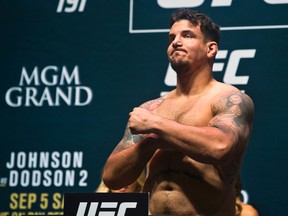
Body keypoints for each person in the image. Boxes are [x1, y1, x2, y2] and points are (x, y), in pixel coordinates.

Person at [102, 8, 254, 216]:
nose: (176, 41)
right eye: (172, 37)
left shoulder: (229, 99)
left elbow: (220, 146)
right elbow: (112, 177)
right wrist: (151, 141)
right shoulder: (152, 108)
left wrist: (157, 126)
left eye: (187, 35)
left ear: (211, 49)